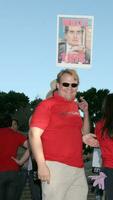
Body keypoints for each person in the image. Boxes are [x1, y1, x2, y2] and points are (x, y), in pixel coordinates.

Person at [29, 69, 91, 200]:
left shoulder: (74, 108)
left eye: (74, 85)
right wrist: (41, 165)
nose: (70, 88)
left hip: (78, 168)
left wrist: (85, 112)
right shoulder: (47, 105)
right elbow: (34, 135)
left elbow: (84, 133)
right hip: (55, 167)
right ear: (58, 85)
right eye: (65, 84)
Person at [0, 114, 29, 200]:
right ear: (10, 123)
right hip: (13, 172)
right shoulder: (16, 135)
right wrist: (21, 161)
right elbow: (32, 147)